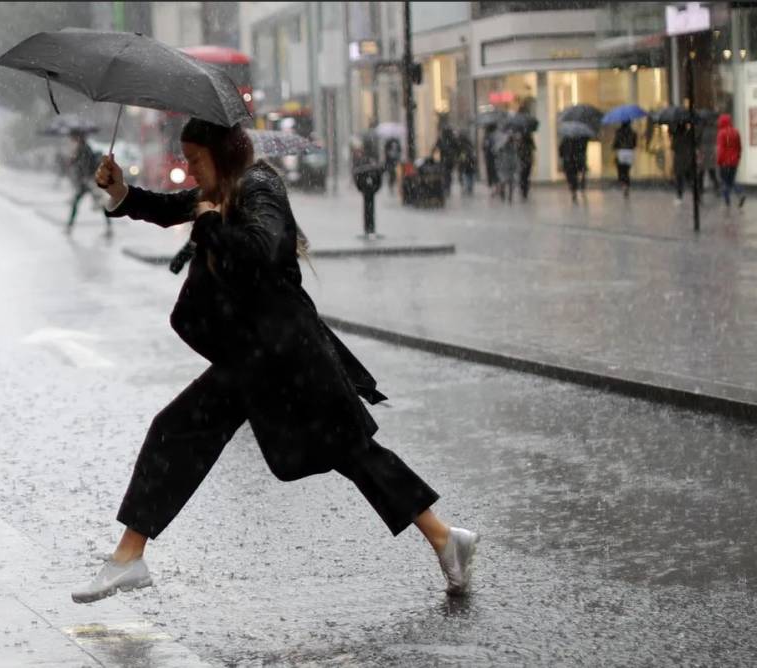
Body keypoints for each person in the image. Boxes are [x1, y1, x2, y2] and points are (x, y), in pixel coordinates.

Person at [71, 117, 479, 604]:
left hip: (289, 356)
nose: (191, 168)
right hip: (257, 354)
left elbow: (262, 248)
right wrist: (121, 191)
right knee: (190, 431)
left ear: (221, 155)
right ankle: (128, 555)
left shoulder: (259, 187)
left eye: (197, 158)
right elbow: (164, 208)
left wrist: (210, 223)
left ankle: (444, 538)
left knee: (347, 453)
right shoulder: (220, 188)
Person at [65, 130, 112, 236]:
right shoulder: (81, 148)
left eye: (73, 138)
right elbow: (78, 163)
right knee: (79, 203)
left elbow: (85, 165)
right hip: (87, 181)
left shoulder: (84, 149)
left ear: (78, 138)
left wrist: (83, 175)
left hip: (89, 181)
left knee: (99, 204)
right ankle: (70, 226)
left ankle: (70, 226)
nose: (72, 140)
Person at [716, 113, 746, 209]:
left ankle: (727, 202)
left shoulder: (721, 133)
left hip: (724, 161)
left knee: (725, 181)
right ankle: (740, 193)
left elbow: (721, 149)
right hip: (734, 162)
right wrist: (737, 158)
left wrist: (719, 161)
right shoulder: (736, 132)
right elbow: (739, 147)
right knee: (731, 180)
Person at [669, 121, 695, 204]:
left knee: (679, 179)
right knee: (690, 178)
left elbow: (673, 147)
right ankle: (696, 195)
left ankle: (679, 196)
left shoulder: (676, 136)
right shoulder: (688, 134)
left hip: (679, 160)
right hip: (687, 159)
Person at [492, 125, 518, 203]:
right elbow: (496, 151)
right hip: (504, 166)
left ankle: (508, 196)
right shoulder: (502, 145)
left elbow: (515, 156)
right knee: (506, 181)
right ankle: (505, 195)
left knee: (508, 181)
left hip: (508, 166)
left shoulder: (512, 146)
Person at [559, 135, 588, 204]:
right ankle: (576, 186)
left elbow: (560, 151)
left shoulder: (566, 140)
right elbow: (583, 150)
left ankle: (574, 188)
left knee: (571, 176)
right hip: (575, 161)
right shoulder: (580, 140)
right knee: (574, 174)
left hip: (569, 161)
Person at [613, 121, 637, 198]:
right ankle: (626, 185)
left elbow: (615, 143)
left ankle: (624, 184)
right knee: (627, 170)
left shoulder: (619, 132)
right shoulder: (633, 132)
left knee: (621, 170)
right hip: (629, 152)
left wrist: (615, 147)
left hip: (621, 151)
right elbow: (634, 144)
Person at [435, 126, 459, 196]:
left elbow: (436, 147)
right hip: (450, 160)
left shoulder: (442, 139)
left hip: (444, 160)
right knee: (448, 174)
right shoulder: (452, 139)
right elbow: (457, 148)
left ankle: (446, 187)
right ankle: (447, 187)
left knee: (445, 174)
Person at [456, 131, 477, 197]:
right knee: (469, 176)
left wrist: (461, 161)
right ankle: (469, 189)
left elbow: (462, 157)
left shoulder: (462, 146)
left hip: (466, 164)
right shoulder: (469, 145)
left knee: (466, 176)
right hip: (470, 164)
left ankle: (467, 189)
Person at [517, 130, 536, 201]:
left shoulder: (521, 142)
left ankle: (523, 188)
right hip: (528, 161)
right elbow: (534, 148)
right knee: (526, 175)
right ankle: (525, 189)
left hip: (523, 161)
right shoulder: (530, 141)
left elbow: (518, 151)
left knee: (523, 175)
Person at [482, 124, 498, 196]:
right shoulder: (496, 136)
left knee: (491, 173)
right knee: (495, 173)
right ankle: (496, 188)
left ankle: (493, 188)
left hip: (490, 158)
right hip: (495, 158)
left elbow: (483, 147)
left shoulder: (487, 137)